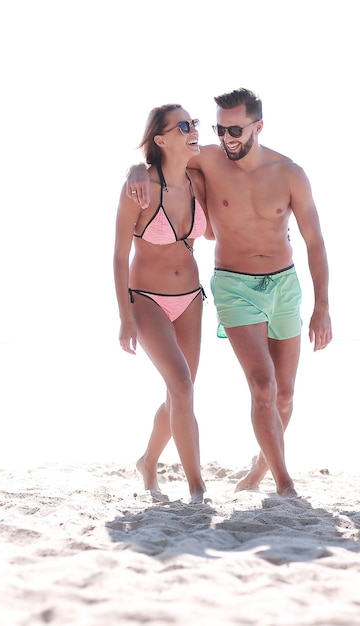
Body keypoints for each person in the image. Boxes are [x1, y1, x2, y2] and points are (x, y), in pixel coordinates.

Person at [127, 88, 332, 498]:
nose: (225, 138)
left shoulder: (289, 173)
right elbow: (162, 157)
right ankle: (285, 484)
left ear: (259, 126)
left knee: (285, 396)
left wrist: (322, 306)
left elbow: (315, 242)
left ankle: (260, 467)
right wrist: (135, 168)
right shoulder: (209, 158)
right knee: (262, 385)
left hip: (285, 285)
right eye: (219, 129)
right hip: (234, 285)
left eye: (235, 129)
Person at [114, 103, 211, 504]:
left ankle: (148, 462)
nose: (194, 130)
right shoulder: (139, 189)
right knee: (183, 385)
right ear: (160, 139)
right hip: (147, 300)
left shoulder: (199, 180)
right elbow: (119, 256)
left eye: (195, 123)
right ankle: (197, 489)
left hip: (191, 299)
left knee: (179, 393)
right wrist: (124, 317)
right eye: (184, 125)